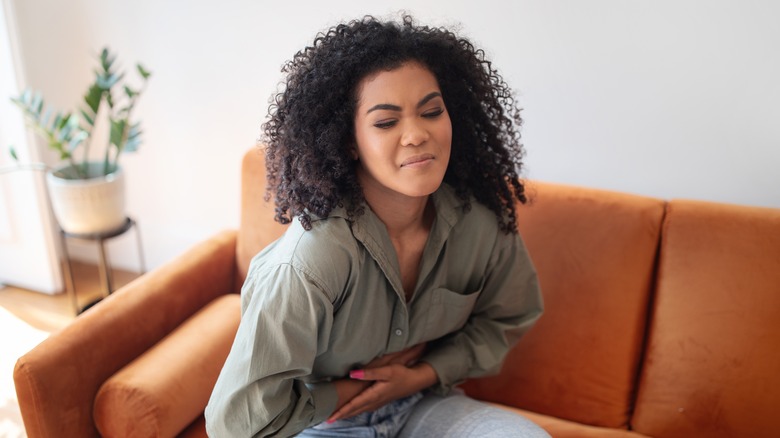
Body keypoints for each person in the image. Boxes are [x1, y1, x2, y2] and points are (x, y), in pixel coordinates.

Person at [205, 14, 547, 437]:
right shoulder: (311, 260)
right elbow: (237, 423)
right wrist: (343, 393)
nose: (417, 134)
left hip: (424, 404)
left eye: (431, 111)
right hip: (323, 422)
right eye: (386, 122)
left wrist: (420, 375)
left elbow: (509, 317)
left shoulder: (482, 225)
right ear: (348, 140)